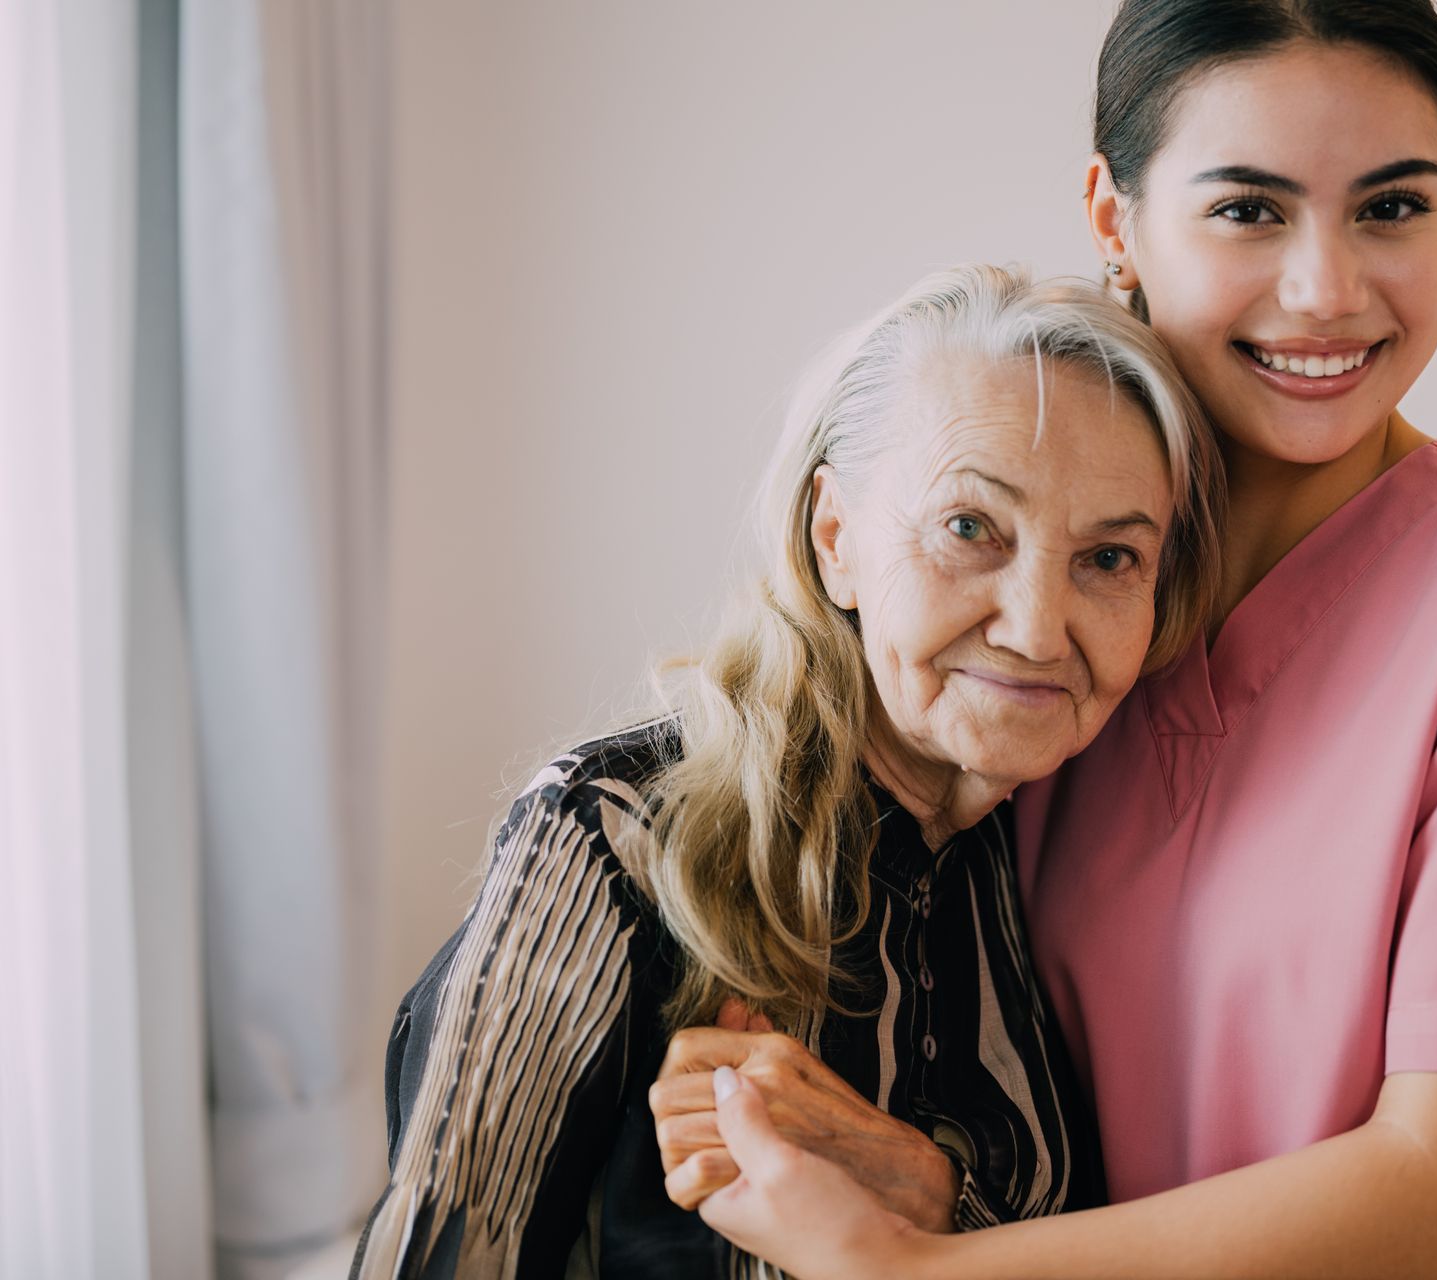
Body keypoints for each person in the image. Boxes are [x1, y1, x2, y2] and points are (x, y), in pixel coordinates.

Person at [676, 2, 1437, 1277]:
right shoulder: (1054, 624)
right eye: (1249, 209)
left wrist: (911, 1269)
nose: (1327, 289)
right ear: (1115, 220)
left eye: (1394, 206)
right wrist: (930, 1185)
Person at [348, 263, 1225, 1278]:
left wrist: (927, 1189)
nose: (1035, 626)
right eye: (970, 527)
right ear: (836, 538)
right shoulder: (614, 834)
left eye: (1110, 558)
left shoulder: (1066, 859)